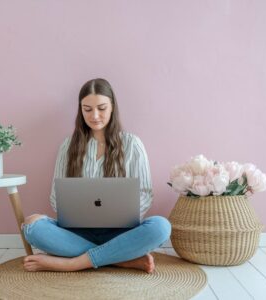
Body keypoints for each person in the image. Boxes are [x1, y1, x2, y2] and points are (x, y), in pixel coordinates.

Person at [22, 78, 171, 273]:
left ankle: (73, 263)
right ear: (80, 110)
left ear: (112, 107)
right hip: (77, 232)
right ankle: (120, 259)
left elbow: (144, 194)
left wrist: (117, 216)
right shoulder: (68, 146)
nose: (95, 115)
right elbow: (56, 196)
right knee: (32, 226)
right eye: (87, 109)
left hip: (120, 233)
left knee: (161, 227)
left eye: (101, 108)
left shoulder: (132, 144)